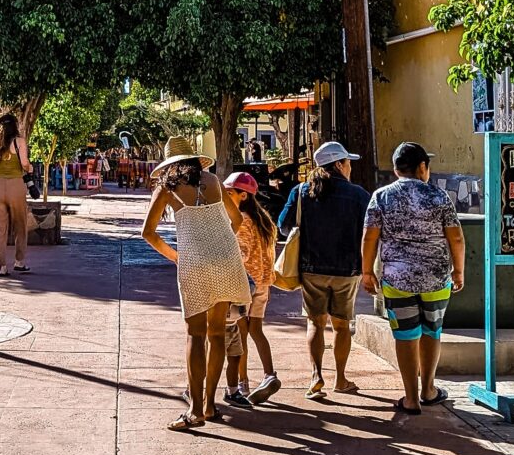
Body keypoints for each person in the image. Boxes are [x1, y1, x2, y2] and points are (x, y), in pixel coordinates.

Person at [140, 136, 251, 430]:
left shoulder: (167, 188)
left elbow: (148, 233)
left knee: (195, 335)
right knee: (217, 334)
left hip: (195, 264)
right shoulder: (213, 180)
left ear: (168, 165)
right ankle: (211, 405)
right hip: (227, 259)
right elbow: (237, 219)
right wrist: (218, 240)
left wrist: (177, 256)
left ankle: (194, 409)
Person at [362, 142, 468, 413]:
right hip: (435, 279)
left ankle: (410, 397)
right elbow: (455, 236)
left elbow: (370, 236)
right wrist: (458, 270)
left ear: (397, 169)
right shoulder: (439, 196)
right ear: (422, 167)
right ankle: (428, 389)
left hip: (396, 280)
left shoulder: (381, 196)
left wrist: (366, 271)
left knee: (406, 335)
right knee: (432, 331)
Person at [277, 140, 371, 399]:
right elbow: (369, 233)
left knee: (315, 323)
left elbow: (283, 227)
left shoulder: (301, 191)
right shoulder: (359, 195)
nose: (350, 167)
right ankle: (340, 378)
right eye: (348, 163)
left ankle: (316, 377)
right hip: (347, 270)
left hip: (311, 269)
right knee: (341, 326)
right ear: (339, 165)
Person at [221, 171, 281, 407]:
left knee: (240, 335)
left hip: (245, 283)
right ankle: (269, 375)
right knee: (257, 330)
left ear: (243, 196)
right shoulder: (264, 220)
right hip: (264, 282)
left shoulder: (240, 221)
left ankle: (242, 383)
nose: (225, 197)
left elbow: (237, 254)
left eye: (229, 193)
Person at [0, 114, 34, 276]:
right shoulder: (19, 142)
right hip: (16, 186)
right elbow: (25, 164)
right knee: (20, 225)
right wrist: (30, 168)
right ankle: (19, 262)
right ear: (14, 125)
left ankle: (2, 267)